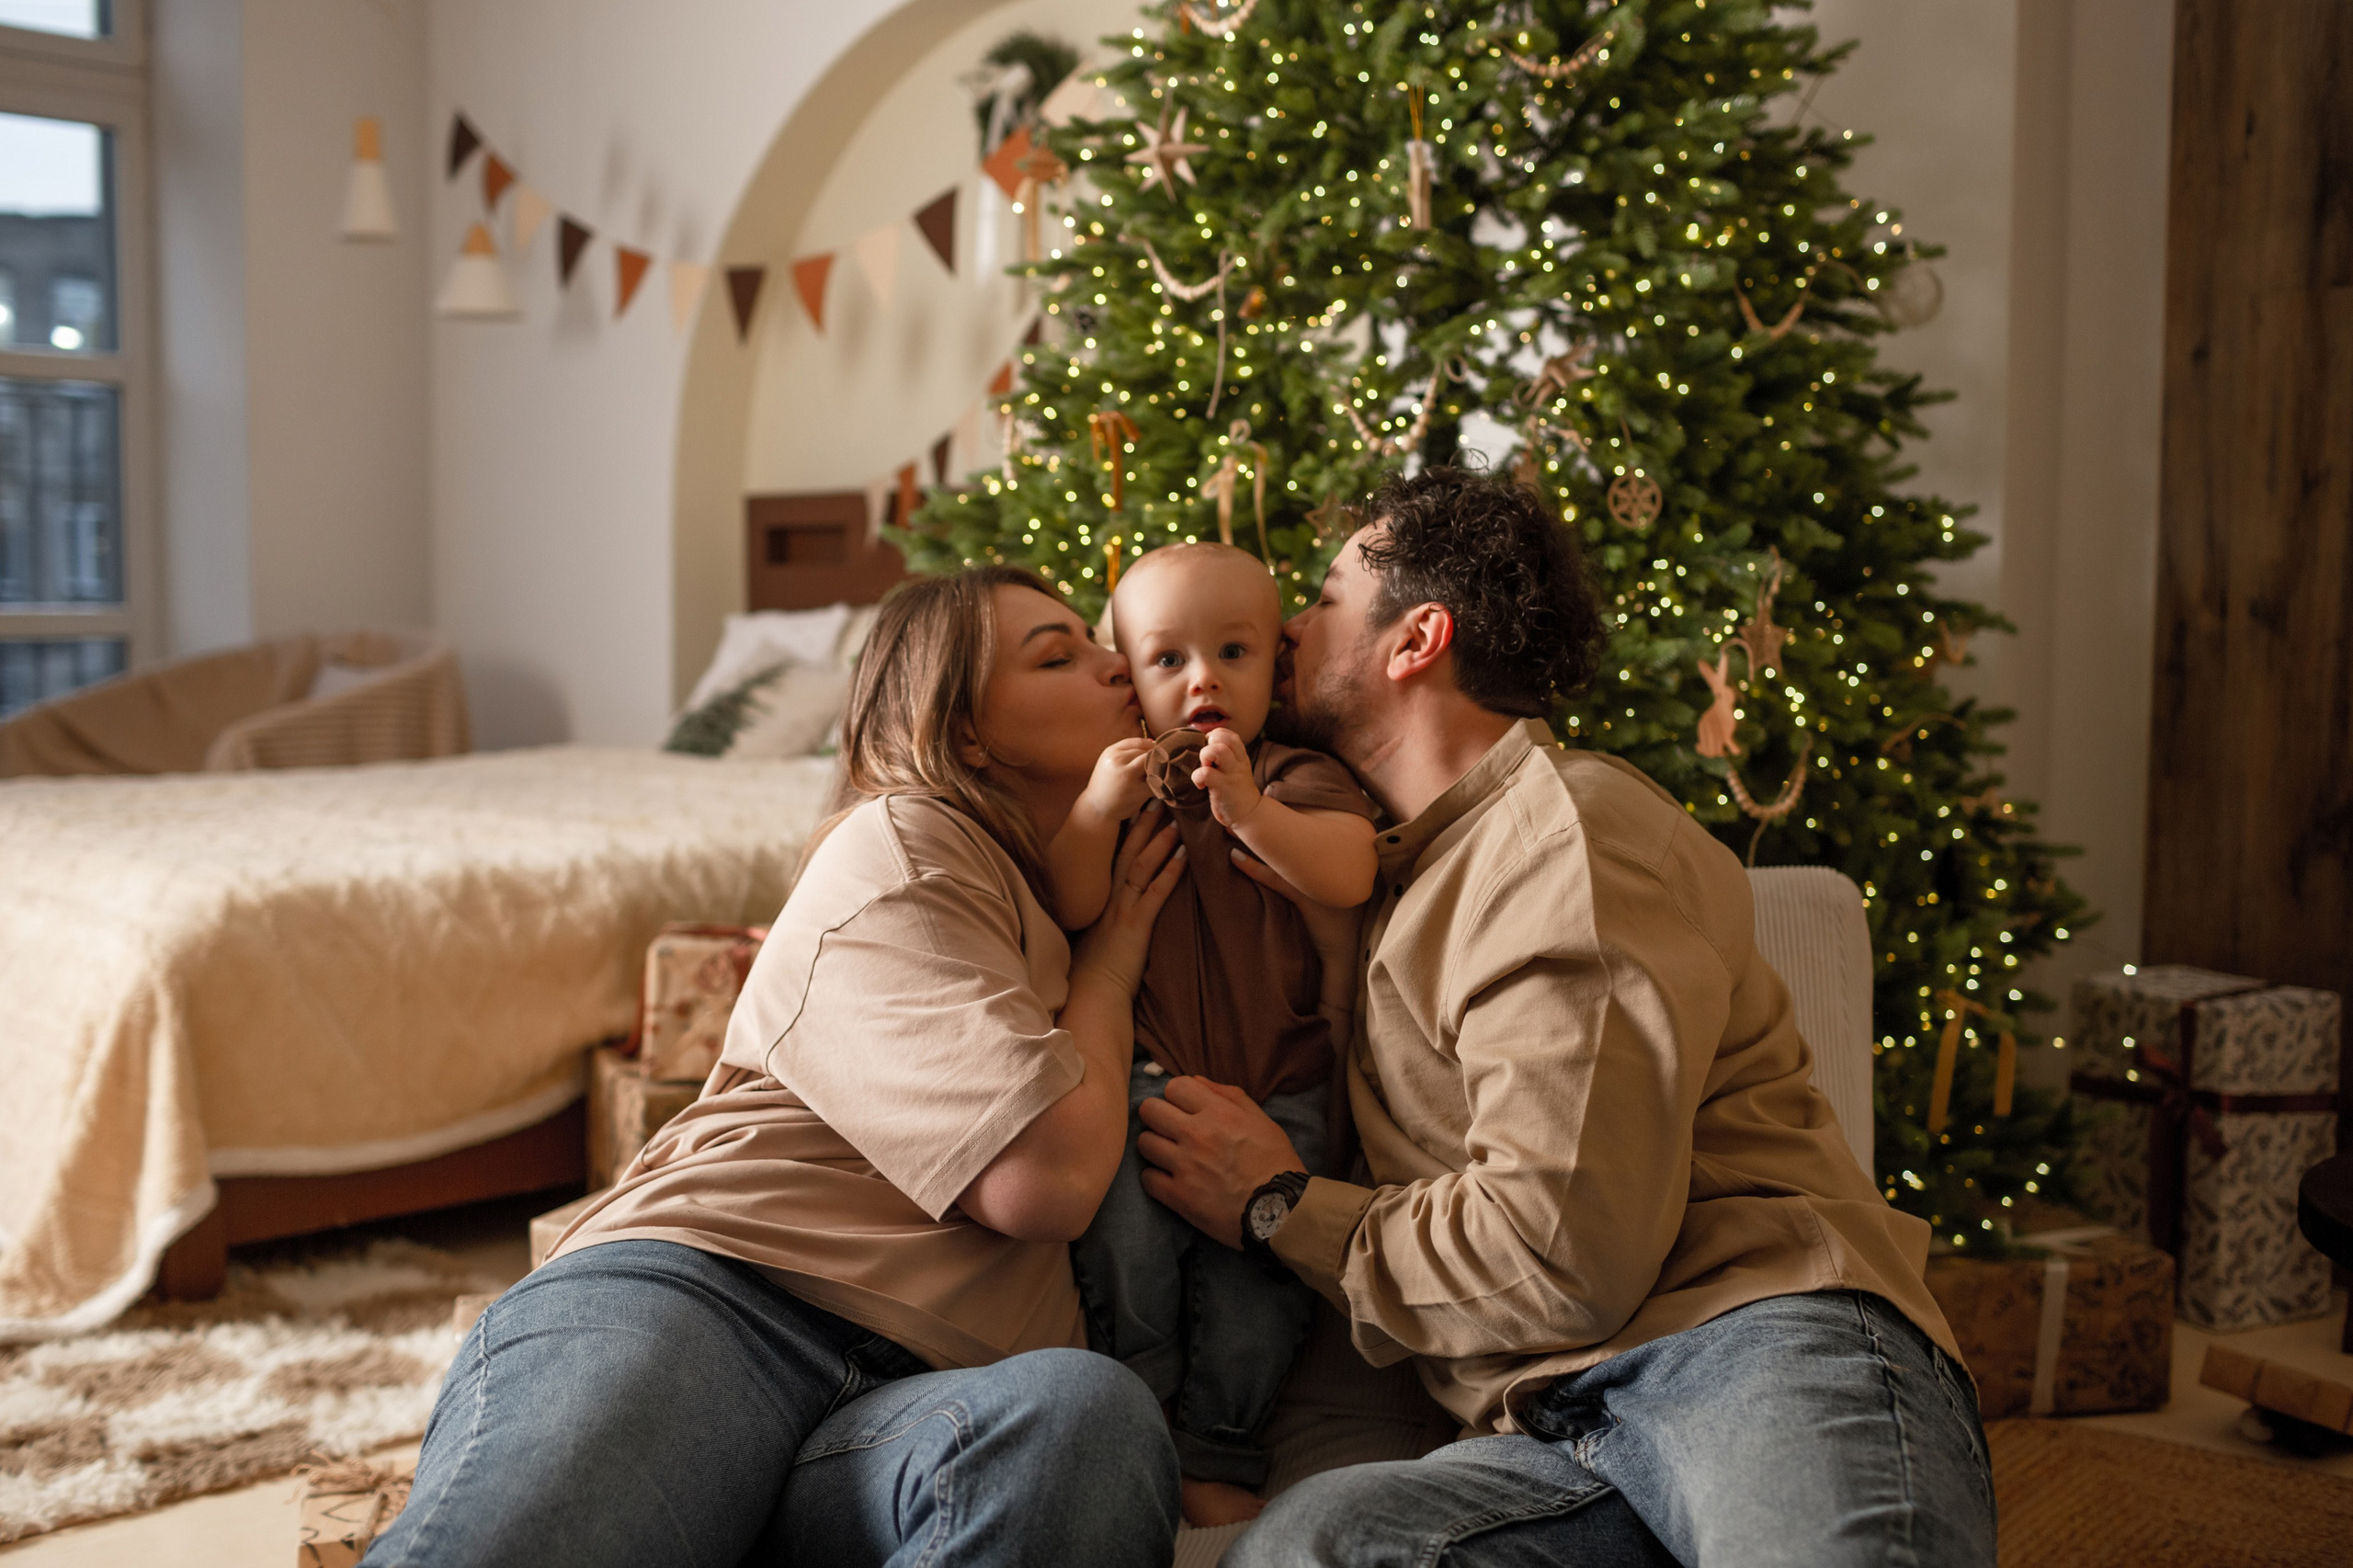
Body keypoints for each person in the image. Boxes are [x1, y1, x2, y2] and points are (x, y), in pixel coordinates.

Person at [1136, 469, 1997, 1567]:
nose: (1290, 626)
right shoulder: (1383, 868)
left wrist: (1278, 1202)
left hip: (1748, 1341)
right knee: (1313, 1547)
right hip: (1543, 1428)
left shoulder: (1561, 842)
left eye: (1324, 596)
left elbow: (1557, 1254)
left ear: (1415, 639)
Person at [365, 566, 1186, 1568]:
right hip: (718, 1300)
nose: (1116, 665)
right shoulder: (906, 839)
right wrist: (1108, 970)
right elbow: (1040, 1177)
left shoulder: (1064, 888)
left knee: (1084, 1416)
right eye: (1058, 653)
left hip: (927, 1395)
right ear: (964, 729)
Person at [1047, 543, 1378, 1527]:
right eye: (1166, 659)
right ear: (1129, 678)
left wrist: (1250, 811)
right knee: (1123, 1246)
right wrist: (1097, 807)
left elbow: (1349, 869)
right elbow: (1069, 891)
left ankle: (1221, 1439)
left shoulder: (1296, 772)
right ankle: (1140, 1402)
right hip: (1146, 1075)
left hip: (1281, 1086)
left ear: (1275, 668)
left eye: (1231, 651)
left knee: (1259, 1282)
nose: (1201, 679)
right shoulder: (1126, 785)